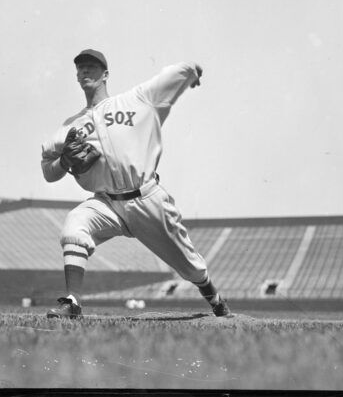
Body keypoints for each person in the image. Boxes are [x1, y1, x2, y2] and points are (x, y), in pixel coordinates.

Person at [40, 49, 230, 319]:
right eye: (81, 68)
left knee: (192, 267)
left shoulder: (136, 100)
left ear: (105, 74)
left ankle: (215, 299)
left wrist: (191, 71)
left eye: (91, 67)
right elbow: (48, 170)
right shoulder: (71, 126)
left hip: (147, 198)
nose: (85, 71)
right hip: (106, 203)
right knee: (74, 224)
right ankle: (72, 302)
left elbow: (169, 77)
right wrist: (63, 163)